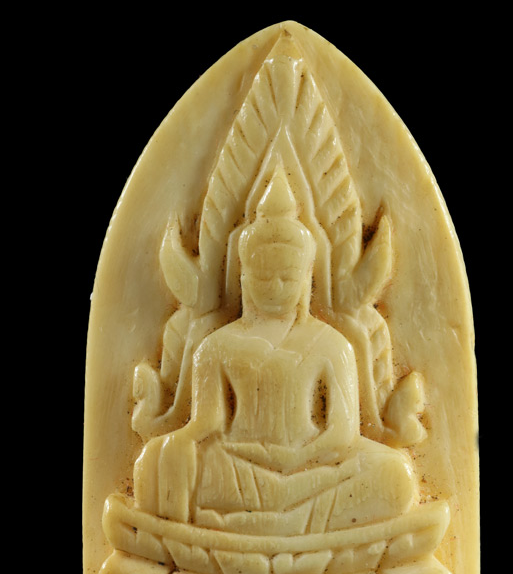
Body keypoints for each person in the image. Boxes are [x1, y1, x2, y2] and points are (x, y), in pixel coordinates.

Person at [134, 170, 415, 534]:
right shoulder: (217, 346)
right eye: (263, 278)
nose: (275, 288)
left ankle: (263, 525)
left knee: (395, 474)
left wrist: (297, 457)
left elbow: (343, 435)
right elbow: (206, 426)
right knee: (154, 463)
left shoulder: (332, 345)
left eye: (286, 278)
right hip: (240, 466)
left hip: (312, 468)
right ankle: (299, 528)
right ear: (244, 278)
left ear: (305, 280)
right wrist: (177, 449)